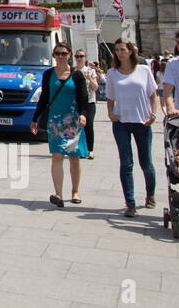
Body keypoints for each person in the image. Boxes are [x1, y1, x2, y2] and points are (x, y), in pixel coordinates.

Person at [30, 41, 91, 207]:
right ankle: (58, 193)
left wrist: (84, 115)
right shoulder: (48, 74)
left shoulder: (77, 75)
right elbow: (44, 98)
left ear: (69, 55)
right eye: (58, 54)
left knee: (74, 157)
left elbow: (83, 98)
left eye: (64, 53)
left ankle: (75, 191)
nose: (61, 56)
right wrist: (35, 118)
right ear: (54, 56)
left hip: (73, 120)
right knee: (57, 156)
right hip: (55, 121)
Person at [105, 39, 158, 217]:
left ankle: (150, 194)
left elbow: (153, 94)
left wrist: (153, 114)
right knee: (126, 163)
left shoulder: (143, 70)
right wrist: (111, 113)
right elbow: (110, 96)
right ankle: (130, 203)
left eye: (123, 49)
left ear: (131, 51)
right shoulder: (112, 73)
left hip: (142, 121)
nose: (120, 53)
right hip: (121, 122)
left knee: (146, 163)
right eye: (117, 50)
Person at [74, 50, 99, 158]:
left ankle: (90, 149)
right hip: (76, 101)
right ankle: (79, 149)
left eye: (81, 56)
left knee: (89, 125)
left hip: (89, 101)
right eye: (77, 56)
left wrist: (88, 78)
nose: (79, 58)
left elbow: (95, 87)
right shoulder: (73, 71)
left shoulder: (90, 71)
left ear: (85, 57)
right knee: (77, 126)